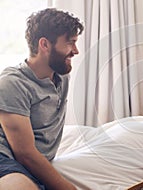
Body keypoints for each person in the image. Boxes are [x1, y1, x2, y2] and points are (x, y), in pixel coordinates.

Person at [0, 8, 83, 190]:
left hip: (30, 163)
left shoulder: (61, 77)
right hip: (5, 159)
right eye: (70, 43)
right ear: (44, 45)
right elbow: (25, 153)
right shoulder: (12, 84)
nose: (75, 51)